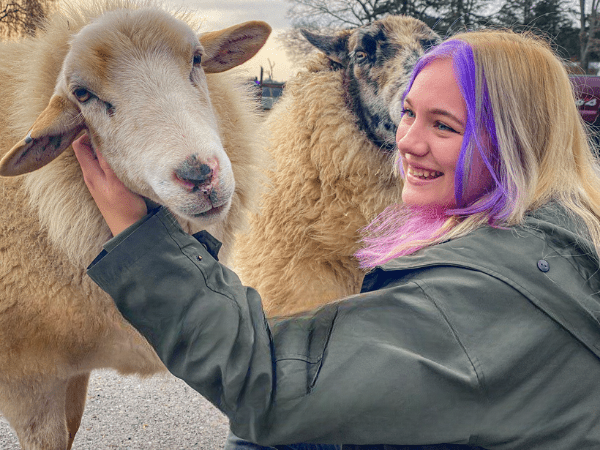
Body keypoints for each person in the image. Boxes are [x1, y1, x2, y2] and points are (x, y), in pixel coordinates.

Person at [73, 30, 600, 449]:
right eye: (409, 112)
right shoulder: (557, 225)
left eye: (444, 126)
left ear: (514, 140)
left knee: (268, 435)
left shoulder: (477, 299)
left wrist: (142, 238)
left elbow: (270, 385)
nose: (407, 141)